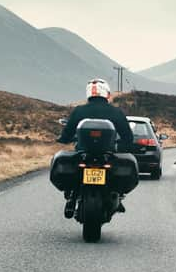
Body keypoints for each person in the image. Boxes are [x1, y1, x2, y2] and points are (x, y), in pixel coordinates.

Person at [57, 78, 134, 216]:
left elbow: (67, 134)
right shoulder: (116, 112)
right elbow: (128, 137)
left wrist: (63, 139)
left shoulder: (79, 111)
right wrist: (122, 145)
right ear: (107, 94)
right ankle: (117, 195)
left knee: (71, 169)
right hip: (108, 155)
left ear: (89, 94)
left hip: (83, 153)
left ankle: (71, 196)